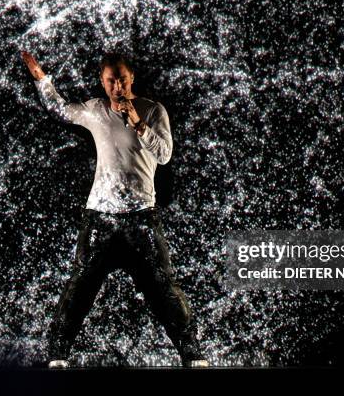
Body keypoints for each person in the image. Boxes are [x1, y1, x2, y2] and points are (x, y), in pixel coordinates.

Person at [21, 51, 208, 368]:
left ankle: (193, 354)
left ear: (131, 78)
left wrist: (137, 122)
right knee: (80, 286)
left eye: (121, 78)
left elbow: (163, 155)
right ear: (103, 82)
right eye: (110, 80)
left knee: (164, 285)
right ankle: (57, 356)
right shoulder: (95, 111)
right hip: (101, 218)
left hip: (141, 217)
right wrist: (42, 79)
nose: (117, 85)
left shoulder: (153, 110)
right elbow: (60, 109)